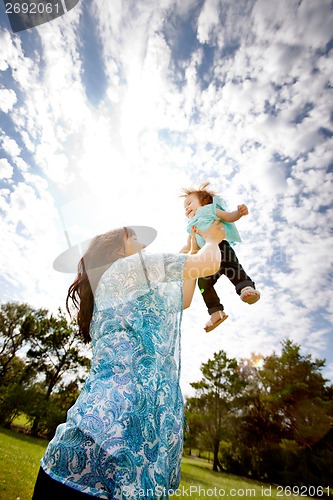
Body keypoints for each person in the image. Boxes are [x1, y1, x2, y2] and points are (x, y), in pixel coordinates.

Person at [32, 223, 225, 500]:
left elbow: (182, 298)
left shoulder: (119, 279)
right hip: (111, 452)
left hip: (79, 452)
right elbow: (207, 264)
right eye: (134, 237)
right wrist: (212, 239)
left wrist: (191, 248)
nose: (144, 244)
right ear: (117, 247)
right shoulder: (131, 267)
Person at [180, 182, 260, 333]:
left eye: (189, 203)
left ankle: (245, 288)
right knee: (203, 284)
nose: (186, 208)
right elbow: (190, 246)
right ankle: (216, 312)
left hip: (221, 247)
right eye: (184, 207)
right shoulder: (191, 226)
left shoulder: (209, 210)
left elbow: (228, 217)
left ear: (204, 202)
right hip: (206, 257)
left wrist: (239, 212)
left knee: (233, 267)